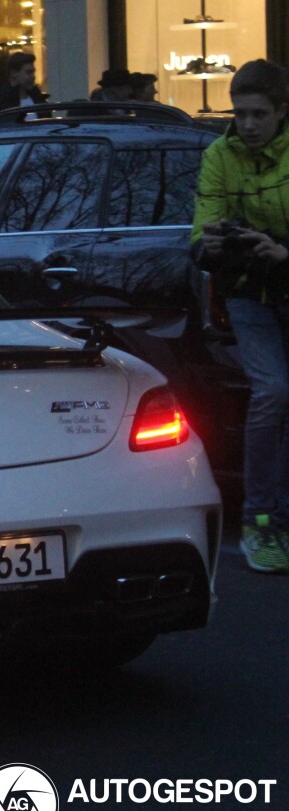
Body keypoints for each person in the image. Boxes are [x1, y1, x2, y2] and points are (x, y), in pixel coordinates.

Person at [190, 59, 289, 572]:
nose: (247, 125)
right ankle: (261, 520)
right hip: (249, 290)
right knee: (273, 390)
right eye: (239, 114)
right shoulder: (219, 154)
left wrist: (283, 252)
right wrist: (211, 244)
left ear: (281, 112)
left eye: (258, 114)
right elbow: (200, 233)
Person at [0, 52, 48, 117]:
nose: (33, 76)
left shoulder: (39, 99)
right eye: (28, 72)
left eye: (33, 72)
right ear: (13, 73)